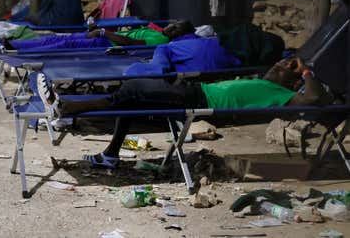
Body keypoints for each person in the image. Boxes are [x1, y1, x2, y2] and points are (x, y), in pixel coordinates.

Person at [37, 57, 333, 168]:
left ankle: (66, 106)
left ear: (293, 82)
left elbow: (315, 97)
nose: (277, 65)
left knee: (134, 90)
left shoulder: (285, 95)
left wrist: (305, 68)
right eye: (280, 62)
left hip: (199, 99)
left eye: (284, 68)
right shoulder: (263, 81)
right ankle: (110, 153)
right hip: (196, 90)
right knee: (131, 97)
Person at [2, 21, 188, 51]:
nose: (174, 28)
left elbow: (131, 43)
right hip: (105, 37)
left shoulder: (161, 40)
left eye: (178, 30)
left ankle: (17, 48)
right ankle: (16, 44)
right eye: (175, 24)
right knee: (57, 39)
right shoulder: (156, 31)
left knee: (61, 45)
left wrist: (101, 32)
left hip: (106, 45)